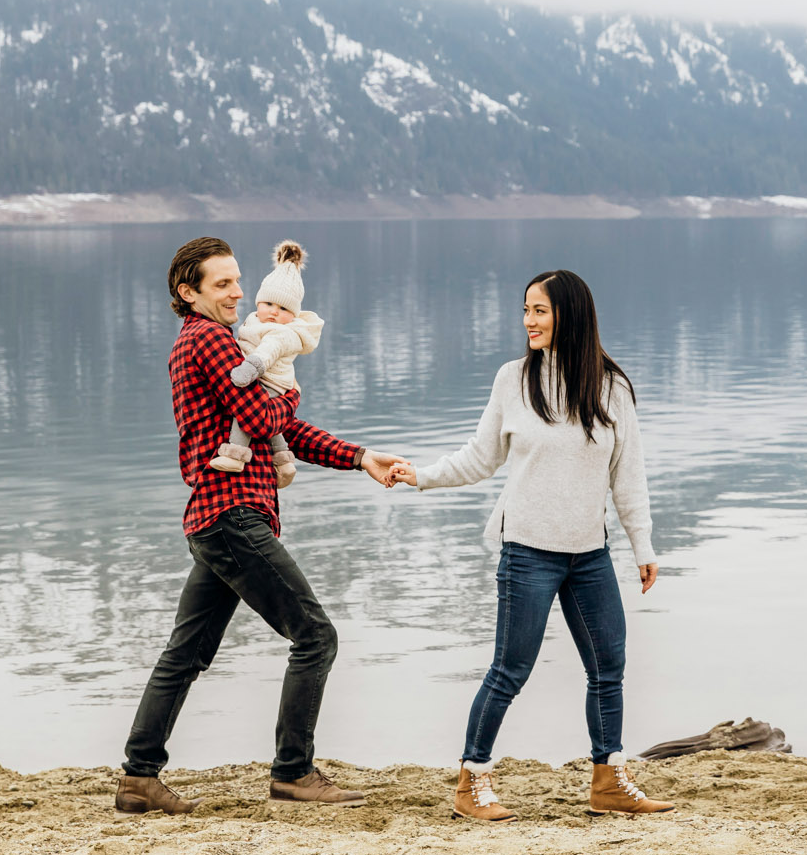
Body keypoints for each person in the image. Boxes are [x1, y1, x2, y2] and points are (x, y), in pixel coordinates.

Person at [116, 236, 406, 816]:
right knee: (315, 636)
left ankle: (138, 777)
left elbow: (272, 427)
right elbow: (260, 414)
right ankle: (293, 772)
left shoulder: (227, 343)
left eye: (237, 280)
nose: (238, 292)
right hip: (231, 516)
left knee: (186, 653)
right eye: (222, 283)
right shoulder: (209, 339)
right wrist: (290, 394)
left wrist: (358, 455)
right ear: (188, 291)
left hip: (217, 517)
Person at [390, 269, 674, 821]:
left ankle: (608, 780)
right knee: (510, 669)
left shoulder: (611, 387)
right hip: (527, 550)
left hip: (590, 553)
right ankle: (472, 782)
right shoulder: (513, 380)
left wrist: (643, 545)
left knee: (608, 666)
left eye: (539, 311)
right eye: (525, 311)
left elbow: (628, 476)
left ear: (570, 313)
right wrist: (419, 476)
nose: (528, 322)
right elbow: (480, 457)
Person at [209, 240, 321, 489]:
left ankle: (234, 455)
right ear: (258, 303)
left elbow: (268, 352)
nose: (273, 312)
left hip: (269, 378)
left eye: (283, 308)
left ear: (293, 314)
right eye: (268, 304)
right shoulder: (254, 321)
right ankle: (283, 461)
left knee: (246, 414)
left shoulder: (284, 333)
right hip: (266, 378)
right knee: (270, 422)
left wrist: (248, 369)